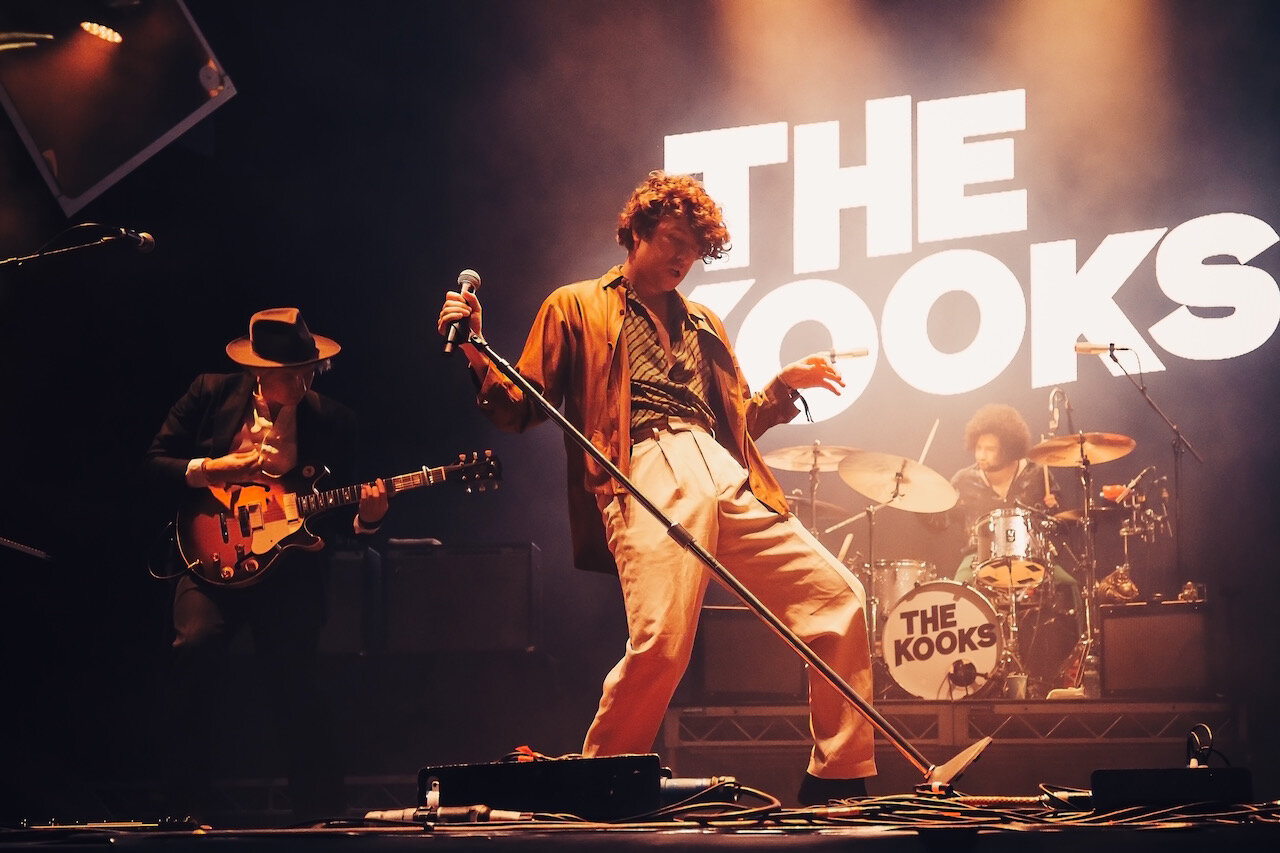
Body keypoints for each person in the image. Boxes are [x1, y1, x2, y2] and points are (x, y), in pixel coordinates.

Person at [436, 171, 876, 804]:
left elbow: (736, 425)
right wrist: (476, 349)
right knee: (664, 644)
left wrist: (782, 387)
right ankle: (598, 784)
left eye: (694, 251)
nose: (682, 259)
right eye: (672, 240)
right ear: (637, 232)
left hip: (724, 472)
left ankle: (838, 778)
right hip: (642, 462)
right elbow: (517, 406)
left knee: (839, 596)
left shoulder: (705, 324)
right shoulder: (578, 304)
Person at [144, 307, 388, 823]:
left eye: (309, 371)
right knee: (194, 648)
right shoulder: (210, 393)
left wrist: (368, 521)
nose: (302, 382)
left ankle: (321, 813)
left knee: (298, 680)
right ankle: (180, 808)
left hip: (290, 571)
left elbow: (339, 522)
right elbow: (154, 464)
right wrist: (213, 468)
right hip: (209, 554)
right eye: (289, 374)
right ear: (259, 371)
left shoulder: (336, 421)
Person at [926, 403, 1082, 694]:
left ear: (1009, 449)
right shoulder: (964, 480)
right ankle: (962, 673)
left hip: (1032, 555)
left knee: (1070, 585)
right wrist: (920, 500)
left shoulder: (1038, 474)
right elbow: (938, 522)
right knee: (955, 594)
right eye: (978, 447)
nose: (980, 455)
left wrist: (1054, 508)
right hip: (977, 558)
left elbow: (1061, 524)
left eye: (990, 449)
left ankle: (1071, 670)